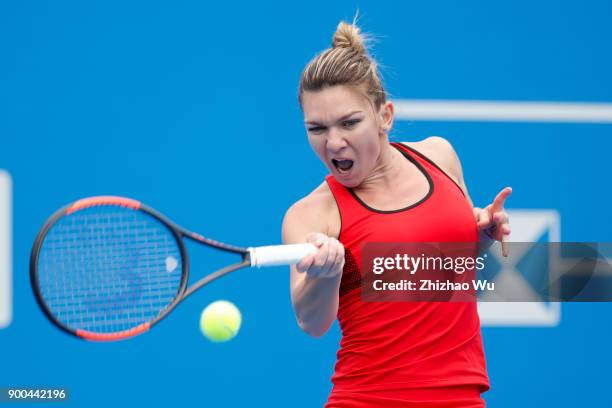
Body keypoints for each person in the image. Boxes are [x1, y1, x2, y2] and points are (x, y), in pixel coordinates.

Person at [282, 19, 511, 408]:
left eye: (349, 122)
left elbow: (446, 271)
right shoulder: (310, 215)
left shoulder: (440, 156)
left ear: (384, 116)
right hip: (367, 399)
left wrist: (482, 236)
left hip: (462, 398)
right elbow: (311, 322)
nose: (333, 141)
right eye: (316, 128)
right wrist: (325, 275)